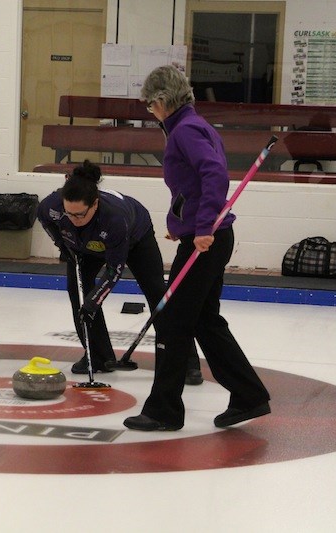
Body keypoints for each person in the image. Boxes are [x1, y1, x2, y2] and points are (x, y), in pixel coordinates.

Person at [123, 65, 271, 431]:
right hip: (207, 237)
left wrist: (202, 227)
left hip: (208, 240)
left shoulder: (185, 130)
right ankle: (249, 395)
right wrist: (182, 225)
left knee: (173, 321)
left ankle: (163, 410)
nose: (150, 113)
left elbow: (214, 175)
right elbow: (191, 187)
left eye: (149, 106)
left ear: (161, 101)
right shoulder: (192, 126)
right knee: (204, 321)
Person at [37, 160, 203, 382]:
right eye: (69, 214)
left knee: (156, 292)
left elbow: (114, 271)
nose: (74, 220)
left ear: (95, 204)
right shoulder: (52, 207)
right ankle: (97, 355)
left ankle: (184, 362)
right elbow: (45, 220)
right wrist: (63, 246)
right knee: (77, 293)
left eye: (80, 215)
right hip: (83, 246)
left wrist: (93, 302)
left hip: (134, 238)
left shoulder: (114, 218)